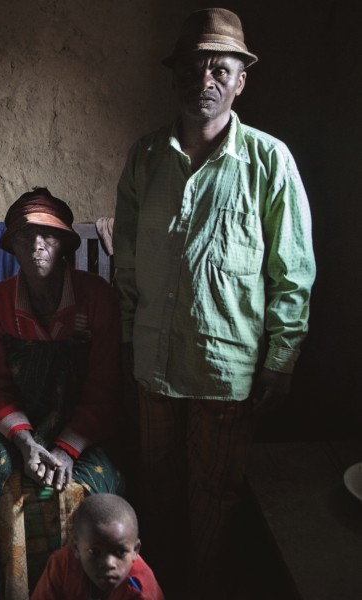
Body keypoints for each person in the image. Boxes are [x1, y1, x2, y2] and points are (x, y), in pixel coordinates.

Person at [112, 8, 316, 596]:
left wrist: (282, 358)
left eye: (219, 69)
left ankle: (201, 587)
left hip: (228, 371)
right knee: (157, 485)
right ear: (175, 76)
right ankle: (160, 586)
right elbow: (127, 261)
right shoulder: (145, 158)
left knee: (216, 495)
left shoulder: (269, 161)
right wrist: (128, 342)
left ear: (240, 80)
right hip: (153, 365)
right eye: (193, 68)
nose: (205, 80)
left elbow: (292, 271)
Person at [0, 187, 124, 599]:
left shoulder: (97, 298)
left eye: (49, 236)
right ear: (12, 247)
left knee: (94, 487)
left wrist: (66, 449)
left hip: (84, 427)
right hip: (16, 424)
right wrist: (24, 443)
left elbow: (104, 387)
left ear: (64, 245)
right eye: (26, 237)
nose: (37, 246)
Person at [31, 493, 164, 600]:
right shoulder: (62, 564)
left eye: (120, 552)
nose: (108, 563)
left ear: (135, 550)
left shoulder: (141, 592)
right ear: (76, 548)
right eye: (95, 552)